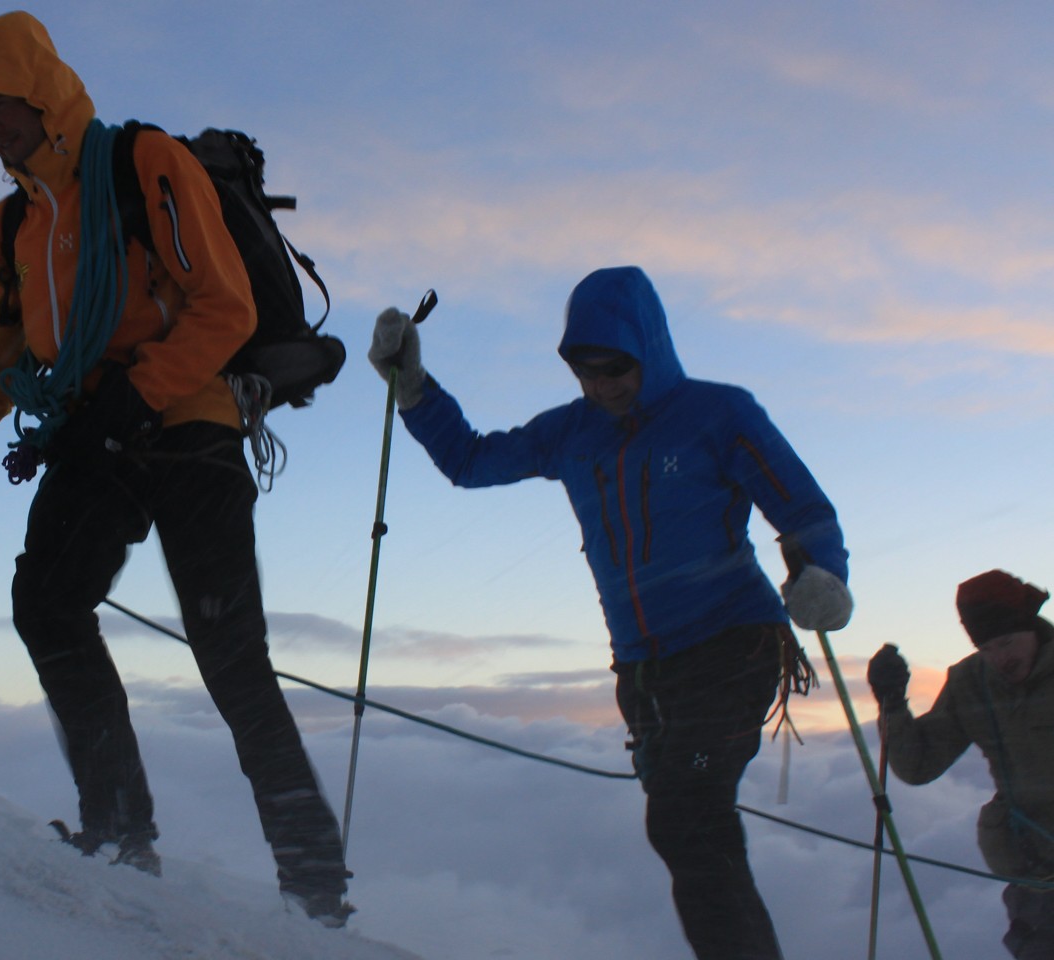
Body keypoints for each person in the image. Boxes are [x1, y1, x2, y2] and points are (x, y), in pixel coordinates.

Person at [0, 11, 351, 925]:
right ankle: (119, 836)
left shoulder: (144, 164)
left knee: (229, 654)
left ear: (39, 91)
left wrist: (129, 400)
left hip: (191, 422)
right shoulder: (11, 229)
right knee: (47, 605)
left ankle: (315, 892)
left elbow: (225, 308)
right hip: (98, 430)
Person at [369, 265, 852, 960]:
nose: (602, 385)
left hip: (732, 643)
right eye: (586, 370)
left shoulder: (719, 414)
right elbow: (472, 460)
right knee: (683, 823)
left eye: (616, 368)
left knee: (689, 821)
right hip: (644, 670)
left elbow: (800, 506)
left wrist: (823, 573)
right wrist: (413, 390)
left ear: (648, 351)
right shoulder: (573, 433)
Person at [867, 570, 1054, 958]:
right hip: (1034, 878)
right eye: (987, 648)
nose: (1000, 658)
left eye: (1006, 642)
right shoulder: (972, 681)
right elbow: (918, 766)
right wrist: (892, 703)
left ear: (1032, 627)